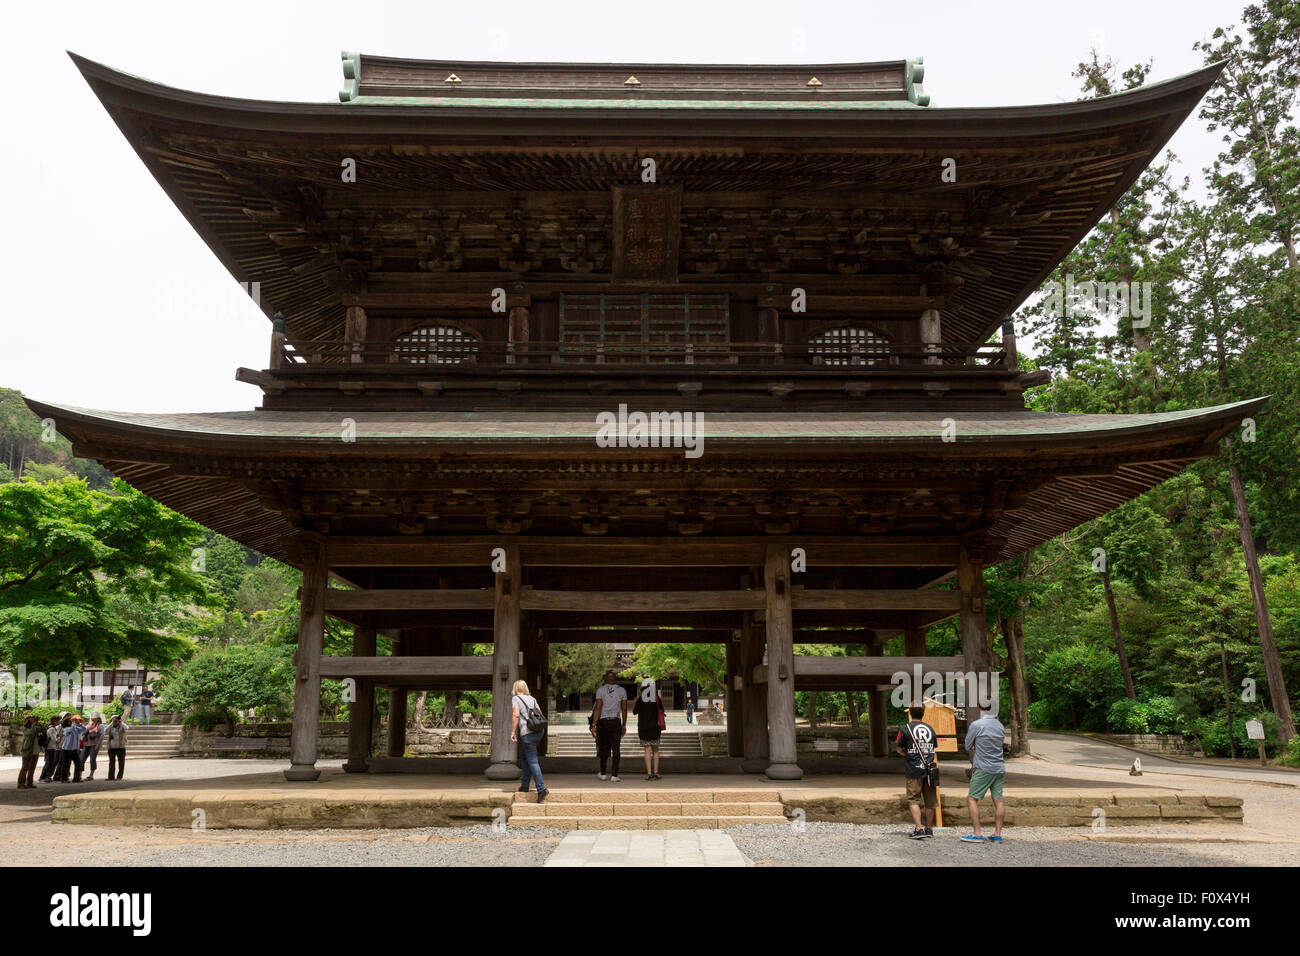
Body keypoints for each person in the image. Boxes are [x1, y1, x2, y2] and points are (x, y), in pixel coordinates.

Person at [962, 707, 1007, 843]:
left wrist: (976, 745)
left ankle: (977, 833)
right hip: (999, 768)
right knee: (998, 800)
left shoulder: (977, 725)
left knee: (972, 799)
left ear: (981, 708)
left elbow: (967, 745)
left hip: (983, 767)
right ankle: (997, 834)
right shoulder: (1000, 726)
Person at [894, 704, 939, 840]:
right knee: (930, 801)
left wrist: (907, 754)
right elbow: (933, 747)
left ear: (910, 713)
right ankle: (929, 828)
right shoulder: (930, 729)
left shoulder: (905, 728)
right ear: (923, 713)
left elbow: (898, 748)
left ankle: (919, 828)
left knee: (914, 799)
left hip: (914, 769)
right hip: (930, 770)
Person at [510, 679, 548, 803]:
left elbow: (516, 715)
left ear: (516, 688)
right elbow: (540, 713)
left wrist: (513, 732)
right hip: (538, 732)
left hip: (528, 733)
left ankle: (541, 788)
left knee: (532, 761)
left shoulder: (516, 698)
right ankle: (525, 785)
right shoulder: (532, 698)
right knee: (525, 757)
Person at [589, 669, 628, 782]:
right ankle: (615, 775)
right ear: (615, 679)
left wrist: (594, 725)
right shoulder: (622, 690)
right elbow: (624, 709)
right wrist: (624, 725)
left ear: (605, 679)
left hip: (603, 721)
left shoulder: (600, 690)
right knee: (616, 749)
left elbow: (598, 708)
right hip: (616, 721)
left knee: (603, 748)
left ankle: (603, 773)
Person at [632, 679, 665, 780]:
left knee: (647, 750)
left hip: (644, 728)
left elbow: (634, 712)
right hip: (655, 728)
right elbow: (662, 710)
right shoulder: (656, 698)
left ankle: (649, 773)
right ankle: (656, 772)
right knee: (655, 750)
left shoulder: (641, 699)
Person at [55, 714, 85, 782]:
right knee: (66, 764)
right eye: (70, 721)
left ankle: (76, 778)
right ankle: (64, 778)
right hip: (66, 749)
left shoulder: (75, 728)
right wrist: (74, 722)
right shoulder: (66, 729)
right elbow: (71, 728)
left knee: (78, 763)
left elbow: (83, 729)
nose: (71, 722)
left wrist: (79, 724)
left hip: (74, 749)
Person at [17, 715, 41, 789]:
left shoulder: (37, 727)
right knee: (25, 768)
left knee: (32, 768)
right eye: (31, 720)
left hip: (35, 750)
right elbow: (30, 733)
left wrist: (38, 723)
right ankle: (21, 783)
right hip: (27, 750)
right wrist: (33, 724)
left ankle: (29, 783)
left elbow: (43, 730)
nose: (33, 721)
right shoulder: (25, 729)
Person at [38, 715, 61, 782]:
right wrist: (59, 738)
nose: (59, 721)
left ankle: (46, 777)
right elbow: (54, 739)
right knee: (48, 763)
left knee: (49, 763)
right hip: (50, 748)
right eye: (58, 720)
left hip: (50, 748)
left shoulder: (51, 728)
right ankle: (42, 777)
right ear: (54, 721)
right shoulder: (52, 729)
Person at [106, 715, 128, 780]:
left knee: (121, 763)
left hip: (120, 747)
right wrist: (111, 723)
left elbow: (127, 728)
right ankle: (111, 777)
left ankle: (119, 777)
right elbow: (105, 731)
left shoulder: (122, 726)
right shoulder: (110, 727)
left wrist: (121, 722)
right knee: (111, 763)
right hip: (111, 747)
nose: (115, 722)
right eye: (114, 720)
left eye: (116, 720)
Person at [83, 715, 105, 781]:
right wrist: (88, 729)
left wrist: (98, 745)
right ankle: (79, 774)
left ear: (98, 718)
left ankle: (91, 775)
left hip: (94, 744)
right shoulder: (89, 724)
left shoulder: (101, 725)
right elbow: (83, 733)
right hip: (86, 744)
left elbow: (101, 736)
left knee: (92, 759)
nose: (92, 718)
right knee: (81, 759)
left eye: (94, 717)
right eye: (92, 717)